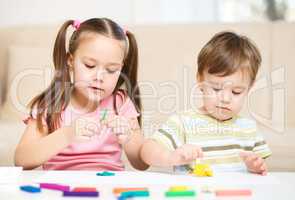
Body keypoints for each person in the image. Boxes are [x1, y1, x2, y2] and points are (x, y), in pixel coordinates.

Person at [14, 18, 148, 171]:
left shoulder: (121, 103)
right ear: (70, 60)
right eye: (90, 66)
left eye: (111, 70)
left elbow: (142, 164)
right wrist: (67, 134)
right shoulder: (50, 104)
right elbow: (21, 160)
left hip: (108, 187)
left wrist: (128, 139)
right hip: (61, 189)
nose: (99, 77)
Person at [140, 31, 271, 175]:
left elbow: (262, 166)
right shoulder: (183, 122)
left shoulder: (249, 129)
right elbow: (146, 151)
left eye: (236, 91)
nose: (225, 98)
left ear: (249, 88)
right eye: (216, 88)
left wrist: (256, 166)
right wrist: (171, 157)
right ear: (200, 80)